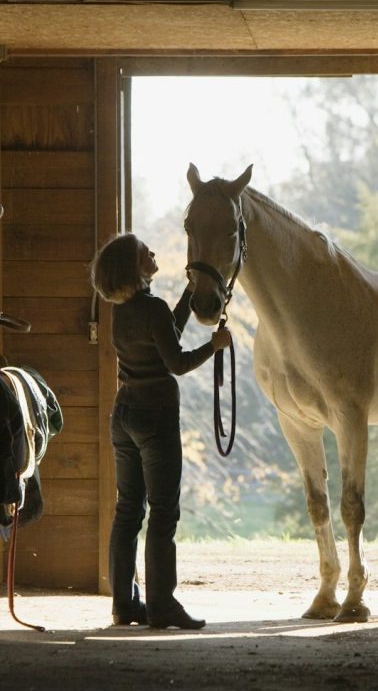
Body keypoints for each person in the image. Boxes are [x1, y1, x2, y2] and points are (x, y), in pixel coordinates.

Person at [90, 233, 231, 630]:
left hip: (124, 413)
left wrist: (188, 293)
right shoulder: (151, 308)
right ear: (133, 267)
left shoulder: (123, 310)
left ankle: (124, 604)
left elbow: (167, 335)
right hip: (156, 416)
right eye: (144, 252)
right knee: (164, 511)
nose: (151, 253)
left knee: (128, 510)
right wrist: (215, 345)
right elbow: (177, 362)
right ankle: (162, 605)